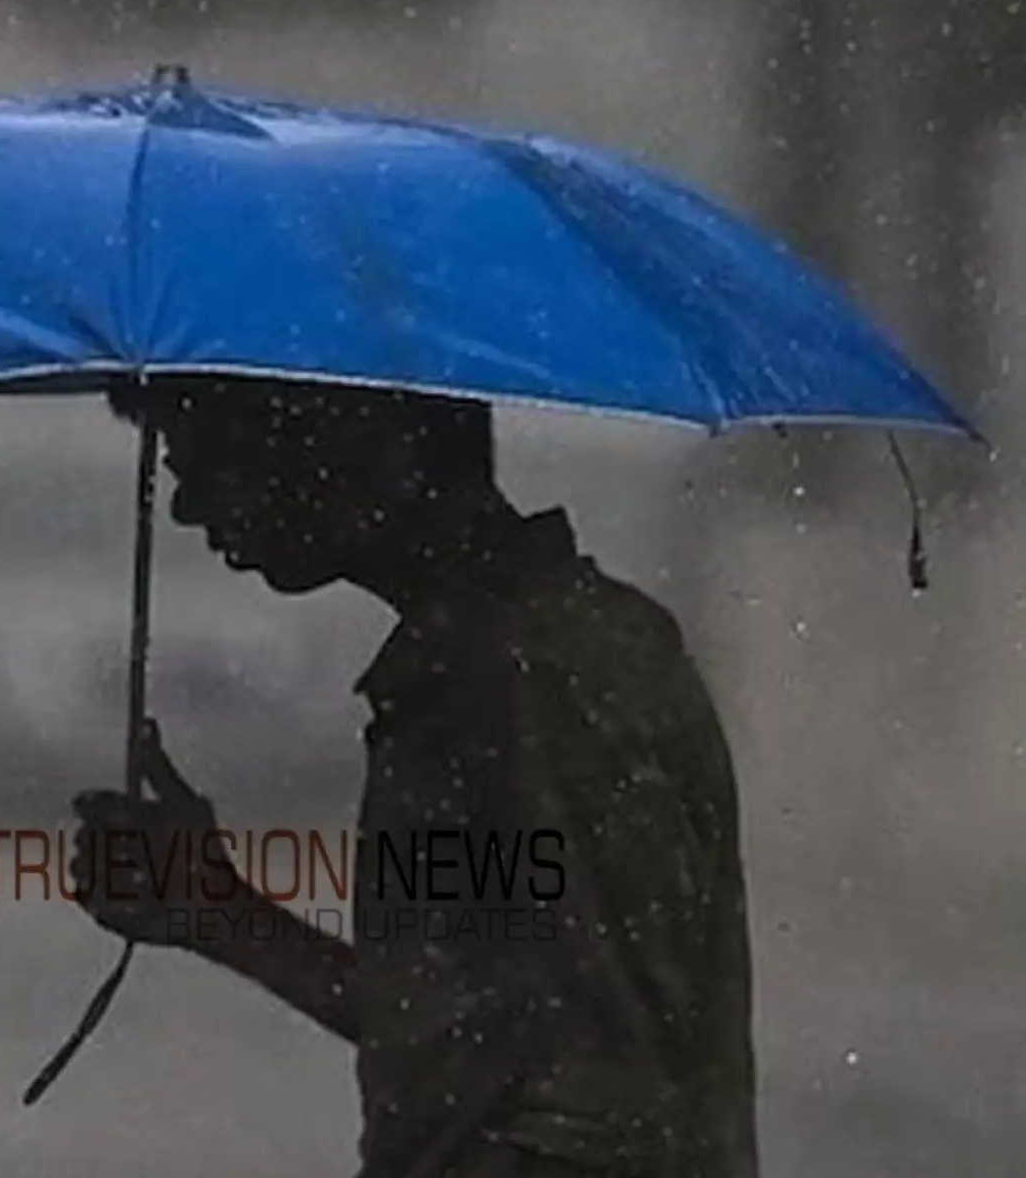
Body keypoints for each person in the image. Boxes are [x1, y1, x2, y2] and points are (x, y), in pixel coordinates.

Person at [72, 376, 757, 1178]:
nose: (187, 509)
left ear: (354, 442)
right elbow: (470, 1024)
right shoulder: (476, 672)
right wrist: (217, 910)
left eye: (208, 463)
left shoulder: (535, 681)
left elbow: (599, 1098)